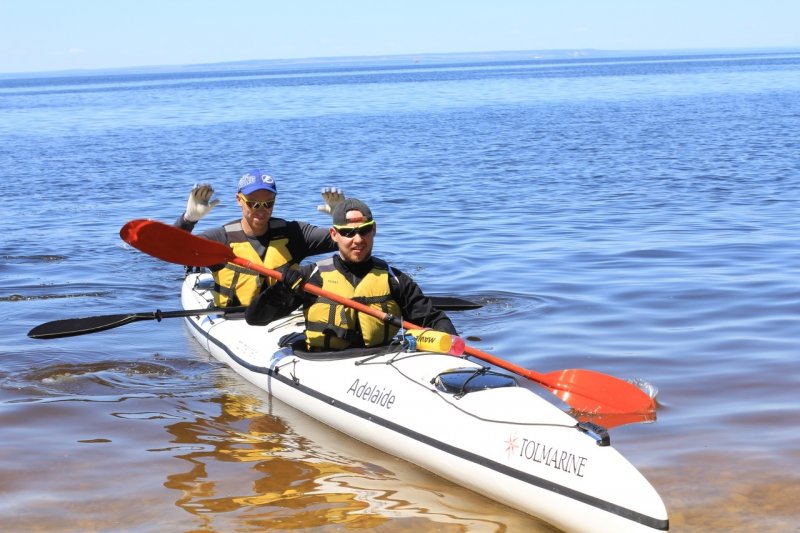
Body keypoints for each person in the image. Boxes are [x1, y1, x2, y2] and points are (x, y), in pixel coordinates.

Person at [246, 198, 457, 351]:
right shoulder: (311, 277)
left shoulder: (395, 281)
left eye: (364, 230)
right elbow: (255, 318)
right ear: (333, 234)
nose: (357, 239)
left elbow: (433, 319)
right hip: (324, 365)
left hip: (379, 362)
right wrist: (280, 290)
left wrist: (453, 347)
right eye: (347, 233)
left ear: (374, 230)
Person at [174, 169, 343, 307]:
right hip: (233, 319)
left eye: (268, 203)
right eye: (253, 203)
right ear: (239, 200)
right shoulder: (221, 238)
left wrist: (343, 219)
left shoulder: (294, 233)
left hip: (283, 316)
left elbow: (346, 242)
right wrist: (188, 219)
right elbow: (175, 249)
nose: (261, 210)